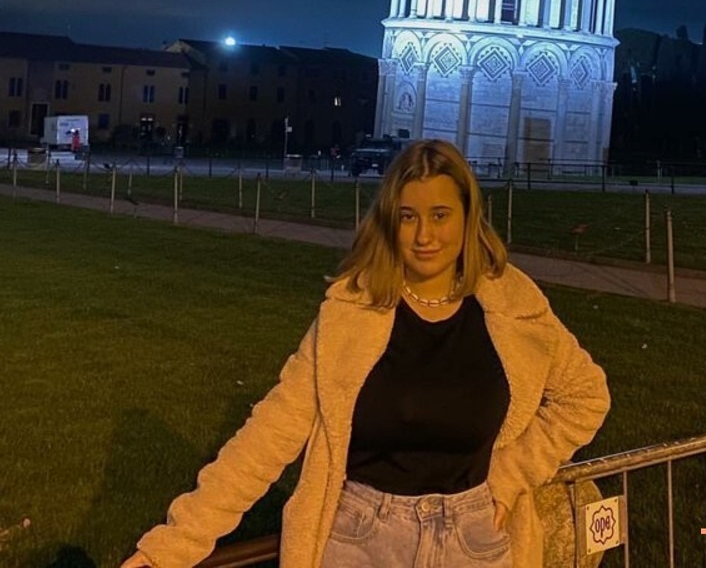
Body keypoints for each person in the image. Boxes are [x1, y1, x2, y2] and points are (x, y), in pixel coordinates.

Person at [122, 139, 609, 568]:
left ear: (468, 217)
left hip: (476, 539)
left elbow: (585, 397)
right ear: (389, 222)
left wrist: (510, 476)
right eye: (408, 217)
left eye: (440, 215)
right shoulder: (351, 315)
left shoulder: (512, 309)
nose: (424, 236)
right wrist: (175, 545)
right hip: (364, 540)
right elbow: (269, 435)